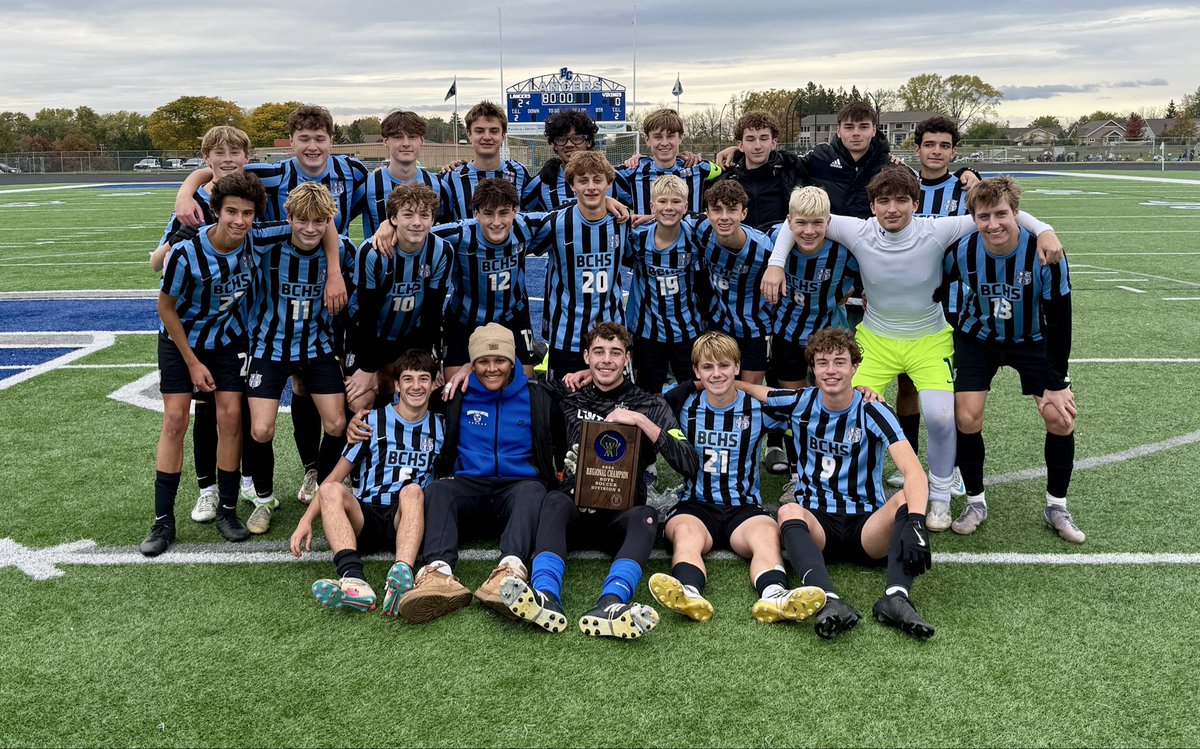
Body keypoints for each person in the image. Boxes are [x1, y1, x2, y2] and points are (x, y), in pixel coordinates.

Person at [766, 166, 1063, 531]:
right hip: (874, 340)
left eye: (902, 200)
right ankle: (841, 488)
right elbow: (792, 222)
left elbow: (996, 213)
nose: (892, 208)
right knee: (843, 410)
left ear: (916, 203)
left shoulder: (936, 229)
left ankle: (939, 496)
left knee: (940, 417)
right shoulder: (858, 229)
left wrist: (1044, 229)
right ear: (872, 205)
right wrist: (776, 264)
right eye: (884, 201)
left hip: (929, 340)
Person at [173, 104, 354, 506]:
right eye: (303, 139)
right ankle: (251, 493)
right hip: (258, 337)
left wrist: (341, 264)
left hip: (316, 339)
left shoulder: (352, 176)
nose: (312, 146)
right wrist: (186, 191)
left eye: (319, 138)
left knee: (336, 416)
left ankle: (323, 483)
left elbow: (328, 225)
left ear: (331, 142)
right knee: (242, 420)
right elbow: (221, 173)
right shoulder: (265, 217)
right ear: (290, 143)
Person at [499, 322, 698, 639]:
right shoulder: (569, 393)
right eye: (599, 352)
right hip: (572, 511)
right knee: (552, 500)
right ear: (586, 357)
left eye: (615, 353)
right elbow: (509, 379)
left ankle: (611, 603)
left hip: (619, 517)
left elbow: (689, 462)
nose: (607, 360)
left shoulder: (650, 405)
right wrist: (465, 368)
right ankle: (545, 596)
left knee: (646, 516)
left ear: (627, 359)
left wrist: (639, 421)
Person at [739, 327, 934, 640]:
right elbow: (757, 391)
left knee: (904, 500)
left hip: (866, 527)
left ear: (855, 367)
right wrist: (716, 380)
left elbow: (913, 472)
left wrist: (917, 522)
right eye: (823, 362)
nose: (831, 370)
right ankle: (829, 600)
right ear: (813, 369)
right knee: (789, 511)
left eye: (839, 362)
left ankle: (896, 598)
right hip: (819, 525)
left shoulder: (873, 408)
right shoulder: (800, 401)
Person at [383, 324, 565, 624]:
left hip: (516, 487)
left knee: (535, 491)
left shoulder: (538, 396)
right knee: (439, 490)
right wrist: (363, 420)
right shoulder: (455, 394)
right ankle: (438, 575)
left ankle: (508, 574)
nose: (491, 369)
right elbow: (408, 408)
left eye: (499, 361)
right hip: (469, 484)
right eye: (482, 361)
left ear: (512, 361)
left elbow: (571, 416)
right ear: (472, 363)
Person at [940, 177, 1083, 543]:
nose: (994, 224)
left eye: (1001, 214)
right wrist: (956, 325)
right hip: (978, 339)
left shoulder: (1045, 252)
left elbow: (1061, 317)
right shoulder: (961, 251)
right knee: (966, 416)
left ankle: (1057, 505)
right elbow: (939, 290)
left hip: (1032, 340)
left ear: (1017, 213)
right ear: (972, 217)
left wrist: (1057, 380)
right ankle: (975, 501)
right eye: (984, 216)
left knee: (1059, 416)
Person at [650, 332, 827, 624]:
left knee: (767, 535)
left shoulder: (755, 405)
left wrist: (859, 391)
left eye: (724, 365)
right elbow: (639, 403)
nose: (716, 374)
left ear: (736, 366)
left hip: (742, 506)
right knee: (685, 536)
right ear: (696, 371)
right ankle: (690, 593)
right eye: (707, 367)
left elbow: (806, 403)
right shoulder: (683, 404)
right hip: (695, 504)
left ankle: (774, 595)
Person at [140, 173, 274, 556]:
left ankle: (228, 511)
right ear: (215, 211)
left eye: (247, 213)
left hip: (227, 341)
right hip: (181, 341)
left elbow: (315, 226)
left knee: (231, 417)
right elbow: (165, 307)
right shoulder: (186, 253)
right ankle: (163, 521)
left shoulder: (258, 241)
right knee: (176, 419)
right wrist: (193, 363)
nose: (239, 220)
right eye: (231, 211)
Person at [149, 125, 253, 523]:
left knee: (231, 414)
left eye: (235, 152)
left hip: (231, 329)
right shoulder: (190, 208)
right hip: (185, 329)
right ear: (207, 158)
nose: (228, 159)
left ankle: (232, 495)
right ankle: (171, 513)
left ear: (248, 158)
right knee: (178, 418)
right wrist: (179, 231)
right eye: (219, 153)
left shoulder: (255, 192)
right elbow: (156, 265)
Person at [290, 349, 443, 615]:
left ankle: (402, 577)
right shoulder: (371, 421)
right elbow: (335, 477)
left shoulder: (442, 427)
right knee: (329, 488)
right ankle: (354, 581)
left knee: (414, 491)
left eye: (423, 379)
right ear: (396, 385)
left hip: (407, 516)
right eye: (407, 379)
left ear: (434, 384)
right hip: (367, 513)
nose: (416, 386)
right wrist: (306, 520)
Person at [242, 182, 354, 534]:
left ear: (329, 223)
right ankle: (263, 499)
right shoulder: (265, 242)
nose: (310, 229)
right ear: (288, 217)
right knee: (261, 428)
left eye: (319, 221)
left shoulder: (342, 251)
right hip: (269, 347)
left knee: (337, 424)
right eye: (302, 220)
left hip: (317, 346)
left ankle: (322, 482)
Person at [342, 184, 451, 412]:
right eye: (408, 214)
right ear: (393, 218)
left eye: (424, 215)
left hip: (409, 335)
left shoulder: (442, 251)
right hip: (368, 334)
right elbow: (367, 315)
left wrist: (426, 364)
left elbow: (432, 312)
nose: (417, 222)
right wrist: (368, 368)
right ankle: (355, 447)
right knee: (359, 399)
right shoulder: (372, 252)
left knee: (433, 391)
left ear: (433, 220)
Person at [529, 151, 628, 379]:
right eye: (583, 180)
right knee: (564, 405)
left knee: (609, 409)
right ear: (572, 185)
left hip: (612, 336)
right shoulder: (555, 223)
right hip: (566, 335)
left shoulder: (623, 222)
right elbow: (516, 230)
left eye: (597, 180)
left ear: (609, 183)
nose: (591, 187)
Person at [623, 174, 704, 394]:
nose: (669, 207)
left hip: (687, 330)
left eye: (676, 202)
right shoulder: (637, 238)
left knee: (693, 392)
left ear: (686, 206)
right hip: (647, 332)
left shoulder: (696, 237)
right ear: (652, 205)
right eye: (662, 202)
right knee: (647, 394)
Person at [692, 180, 775, 386]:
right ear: (707, 213)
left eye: (732, 210)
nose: (724, 217)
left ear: (744, 214)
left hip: (756, 329)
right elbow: (671, 215)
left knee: (748, 393)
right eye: (717, 210)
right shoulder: (702, 229)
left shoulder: (764, 249)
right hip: (720, 323)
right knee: (716, 385)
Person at [615, 108, 721, 215]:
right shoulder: (632, 170)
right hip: (646, 231)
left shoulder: (699, 168)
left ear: (680, 138)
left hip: (690, 232)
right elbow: (600, 175)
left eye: (670, 136)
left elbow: (730, 170)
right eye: (658, 137)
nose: (664, 143)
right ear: (647, 139)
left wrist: (733, 150)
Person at [441, 101, 535, 221]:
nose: (486, 137)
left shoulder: (519, 172)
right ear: (469, 134)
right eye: (479, 131)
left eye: (494, 131)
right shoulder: (451, 177)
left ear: (503, 135)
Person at [361, 110, 447, 237]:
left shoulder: (439, 185)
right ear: (386, 141)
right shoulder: (367, 185)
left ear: (421, 141)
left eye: (412, 137)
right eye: (398, 137)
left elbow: (450, 228)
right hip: (380, 256)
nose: (406, 143)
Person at [525, 110, 599, 211]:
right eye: (562, 139)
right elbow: (517, 214)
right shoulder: (541, 183)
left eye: (576, 138)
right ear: (555, 145)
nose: (569, 144)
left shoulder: (611, 179)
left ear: (589, 141)